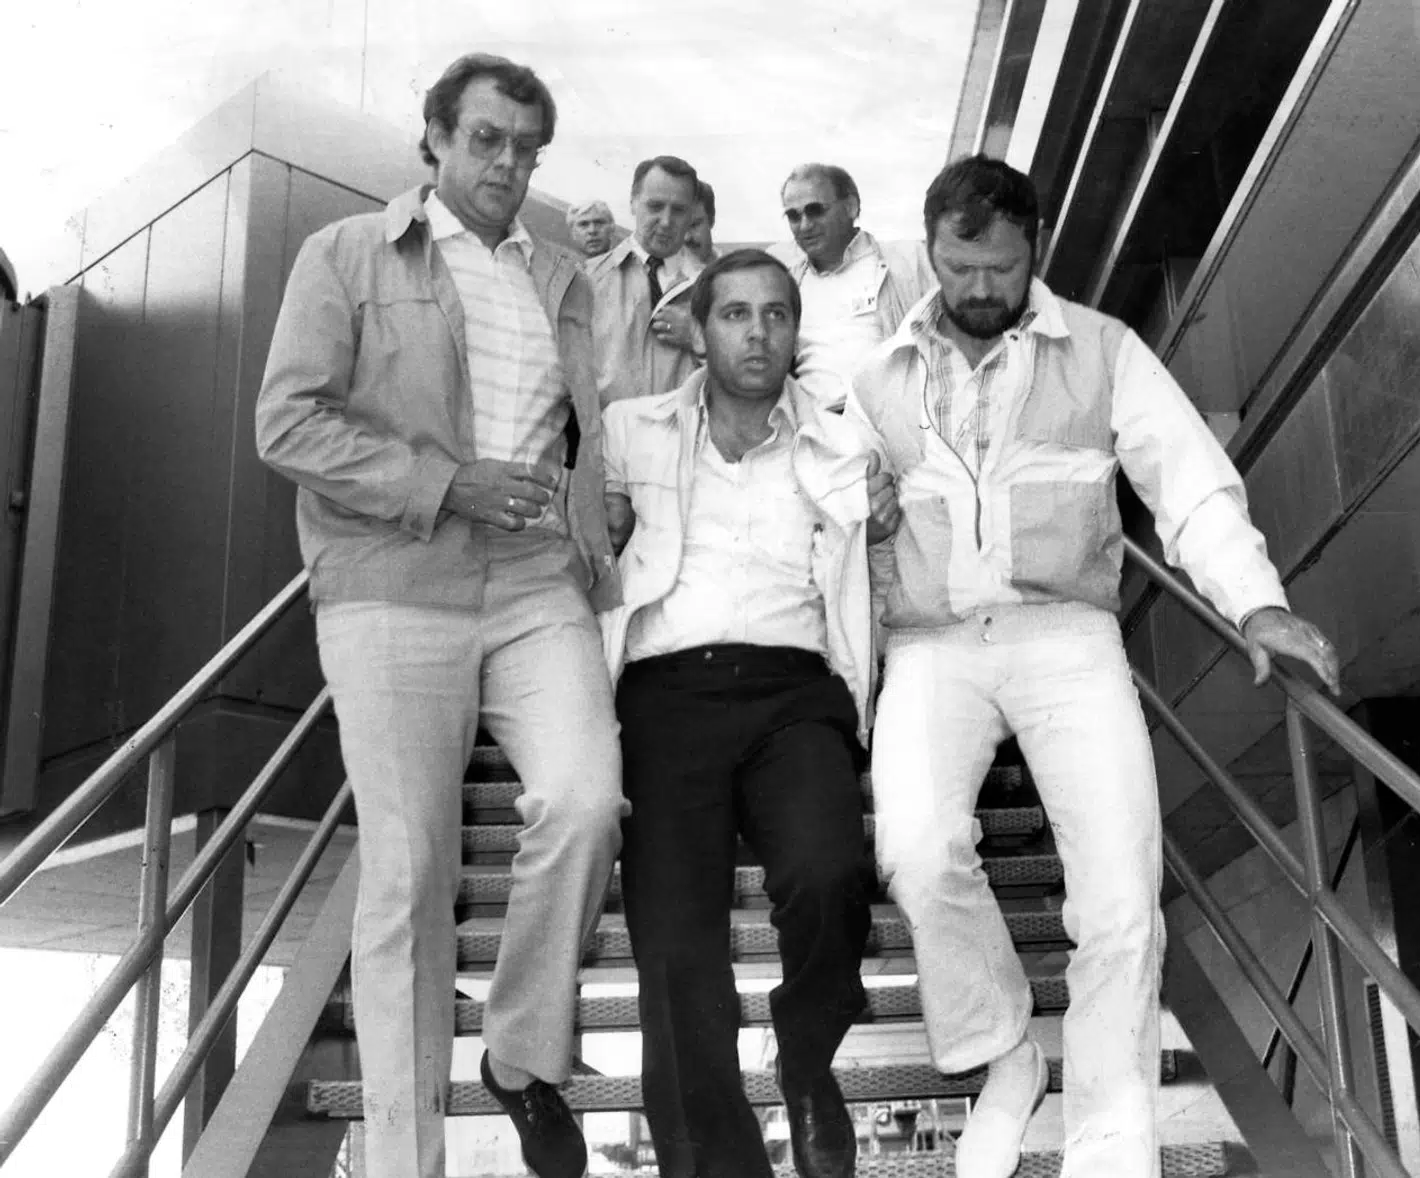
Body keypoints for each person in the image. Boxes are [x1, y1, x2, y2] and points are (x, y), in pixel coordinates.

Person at [848, 156, 1341, 1178]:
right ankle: (1003, 1053)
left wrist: (1256, 601)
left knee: (1120, 892)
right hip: (932, 644)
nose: (980, 288)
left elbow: (1187, 478)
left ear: (1036, 249)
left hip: (1068, 638)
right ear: (929, 252)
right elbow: (820, 507)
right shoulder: (874, 376)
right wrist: (859, 513)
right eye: (958, 268)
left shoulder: (1104, 349)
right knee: (918, 851)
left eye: (1002, 267)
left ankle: (1111, 1140)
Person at [254, 52, 625, 1178]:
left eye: (528, 149)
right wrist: (445, 483)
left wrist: (595, 532)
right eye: (487, 139)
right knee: (410, 874)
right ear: (434, 139)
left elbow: (584, 432)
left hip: (535, 581)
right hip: (393, 578)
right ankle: (404, 1160)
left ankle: (518, 1052)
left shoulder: (562, 278)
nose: (509, 164)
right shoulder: (347, 253)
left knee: (586, 800)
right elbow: (287, 423)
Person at [600, 250, 901, 1178]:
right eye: (735, 313)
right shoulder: (630, 432)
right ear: (698, 331)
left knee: (828, 872)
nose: (758, 332)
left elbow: (882, 564)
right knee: (674, 943)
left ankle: (806, 1060)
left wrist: (885, 524)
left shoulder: (845, 443)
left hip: (794, 691)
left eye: (777, 314)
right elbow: (588, 553)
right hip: (664, 695)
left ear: (796, 332)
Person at [769, 163, 934, 412]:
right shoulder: (786, 282)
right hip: (815, 422)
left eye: (815, 211)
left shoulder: (909, 262)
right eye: (793, 216)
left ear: (851, 207)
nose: (804, 225)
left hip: (889, 418)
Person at [587, 155, 705, 406]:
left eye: (679, 210)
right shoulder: (589, 279)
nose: (666, 221)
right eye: (655, 206)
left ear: (692, 214)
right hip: (607, 429)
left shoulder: (713, 287)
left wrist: (700, 338)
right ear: (633, 202)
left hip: (683, 429)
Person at [683, 179, 721, 267]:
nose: (686, 237)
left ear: (711, 220)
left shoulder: (736, 271)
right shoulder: (655, 272)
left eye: (694, 225)